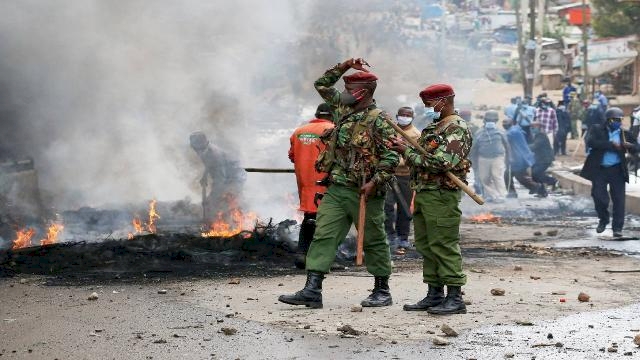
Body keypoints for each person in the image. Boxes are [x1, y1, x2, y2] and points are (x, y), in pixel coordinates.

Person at [278, 58, 399, 309]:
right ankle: (312, 289)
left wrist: (376, 181)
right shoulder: (343, 110)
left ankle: (381, 290)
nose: (342, 93)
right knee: (323, 235)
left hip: (365, 191)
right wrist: (345, 66)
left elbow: (390, 156)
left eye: (348, 89)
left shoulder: (379, 119)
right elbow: (322, 84)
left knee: (374, 239)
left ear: (361, 92)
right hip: (337, 188)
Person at [389, 83, 472, 315]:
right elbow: (425, 155)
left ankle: (455, 297)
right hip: (425, 192)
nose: (428, 109)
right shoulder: (436, 126)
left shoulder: (456, 128)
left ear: (442, 102)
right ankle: (435, 293)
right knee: (427, 245)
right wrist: (405, 148)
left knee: (443, 244)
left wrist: (407, 152)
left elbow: (443, 163)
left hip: (441, 195)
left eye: (429, 105)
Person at [288, 103, 335, 269]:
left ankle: (302, 254)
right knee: (327, 221)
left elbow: (292, 156)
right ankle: (321, 259)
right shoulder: (333, 129)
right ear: (332, 115)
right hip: (327, 182)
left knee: (309, 217)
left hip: (305, 182)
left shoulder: (299, 131)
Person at [579, 107, 638, 237]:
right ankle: (603, 219)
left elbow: (636, 147)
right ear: (608, 120)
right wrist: (612, 145)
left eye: (620, 120)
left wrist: (629, 146)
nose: (618, 122)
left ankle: (617, 228)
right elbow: (592, 142)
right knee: (599, 197)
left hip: (617, 170)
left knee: (619, 200)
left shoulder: (624, 134)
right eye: (615, 120)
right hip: (600, 169)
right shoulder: (597, 130)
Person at [385, 106, 420, 254]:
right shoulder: (389, 130)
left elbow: (416, 154)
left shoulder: (416, 134)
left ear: (412, 117)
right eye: (402, 115)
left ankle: (403, 237)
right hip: (388, 173)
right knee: (386, 206)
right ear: (397, 116)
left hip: (405, 175)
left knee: (404, 208)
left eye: (408, 115)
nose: (404, 117)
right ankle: (389, 235)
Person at [190, 131, 246, 222]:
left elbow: (220, 179)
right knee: (216, 200)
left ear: (202, 145)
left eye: (196, 147)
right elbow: (209, 164)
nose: (195, 150)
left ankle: (235, 223)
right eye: (193, 147)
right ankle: (215, 220)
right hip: (226, 175)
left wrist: (212, 196)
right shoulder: (204, 151)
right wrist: (204, 176)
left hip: (235, 177)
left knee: (227, 200)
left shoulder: (215, 155)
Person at [470, 110, 509, 203]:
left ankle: (501, 196)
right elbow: (474, 148)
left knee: (497, 176)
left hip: (497, 157)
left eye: (493, 120)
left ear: (496, 121)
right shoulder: (479, 133)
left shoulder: (501, 132)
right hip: (483, 158)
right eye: (488, 119)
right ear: (485, 120)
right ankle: (492, 195)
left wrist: (509, 157)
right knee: (485, 179)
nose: (490, 121)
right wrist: (473, 161)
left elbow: (507, 145)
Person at [502, 118, 545, 197]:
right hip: (521, 158)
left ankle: (513, 193)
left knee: (508, 175)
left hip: (518, 158)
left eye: (505, 122)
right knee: (520, 177)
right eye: (503, 122)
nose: (504, 124)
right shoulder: (515, 130)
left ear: (511, 123)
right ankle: (537, 188)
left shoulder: (512, 132)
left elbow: (507, 142)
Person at [529, 121, 557, 197]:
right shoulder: (537, 135)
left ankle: (552, 181)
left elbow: (535, 146)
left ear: (539, 128)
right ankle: (542, 192)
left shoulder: (541, 135)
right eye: (531, 127)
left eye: (533, 127)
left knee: (536, 173)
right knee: (535, 174)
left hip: (545, 159)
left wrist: (525, 147)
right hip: (540, 159)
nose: (532, 129)